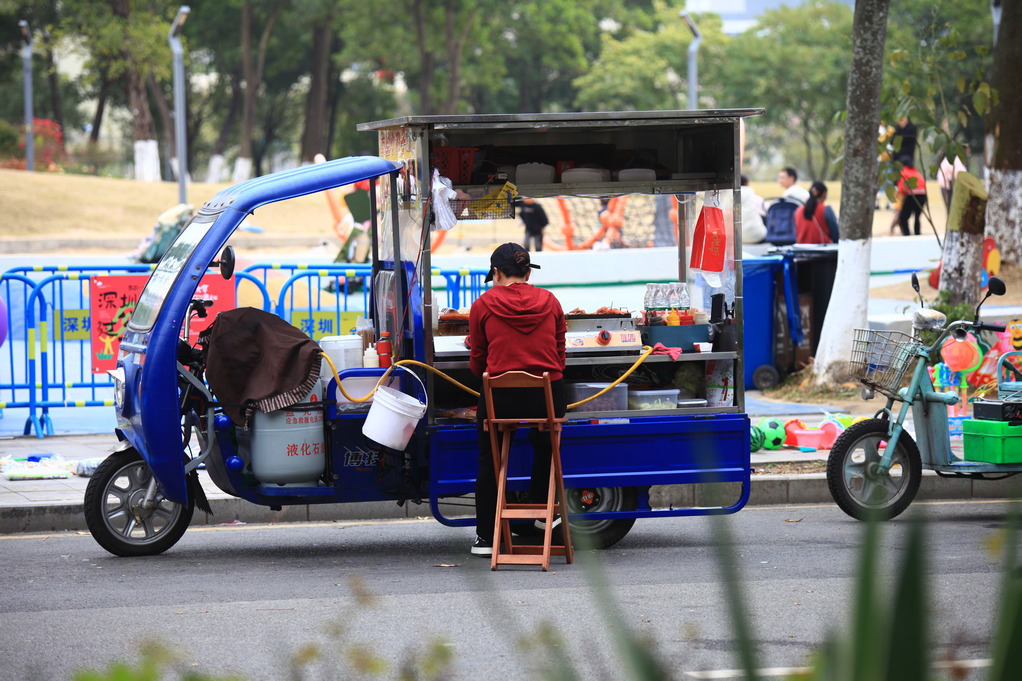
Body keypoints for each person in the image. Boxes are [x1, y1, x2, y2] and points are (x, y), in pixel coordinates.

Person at [468, 243, 566, 556]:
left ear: (496, 273)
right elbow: (560, 351)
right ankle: (541, 518)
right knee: (546, 445)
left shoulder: (483, 304)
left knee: (490, 456)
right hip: (546, 395)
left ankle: (486, 537)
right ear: (527, 271)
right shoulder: (550, 301)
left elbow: (478, 358)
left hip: (501, 397)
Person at [896, 156, 928, 236]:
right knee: (917, 217)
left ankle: (907, 234)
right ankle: (917, 233)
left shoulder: (904, 172)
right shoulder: (916, 172)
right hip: (922, 195)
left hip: (912, 195)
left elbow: (902, 188)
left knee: (903, 217)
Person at [740, 174, 766, 244]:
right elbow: (766, 211)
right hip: (758, 236)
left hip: (738, 238)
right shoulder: (756, 198)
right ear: (747, 183)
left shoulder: (729, 197)